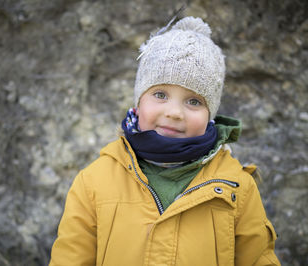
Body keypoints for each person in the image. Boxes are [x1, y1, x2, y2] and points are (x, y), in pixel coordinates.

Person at [49, 16, 280, 265]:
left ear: (209, 115)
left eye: (194, 101)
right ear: (138, 104)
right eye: (160, 94)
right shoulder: (93, 182)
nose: (174, 112)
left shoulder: (237, 188)